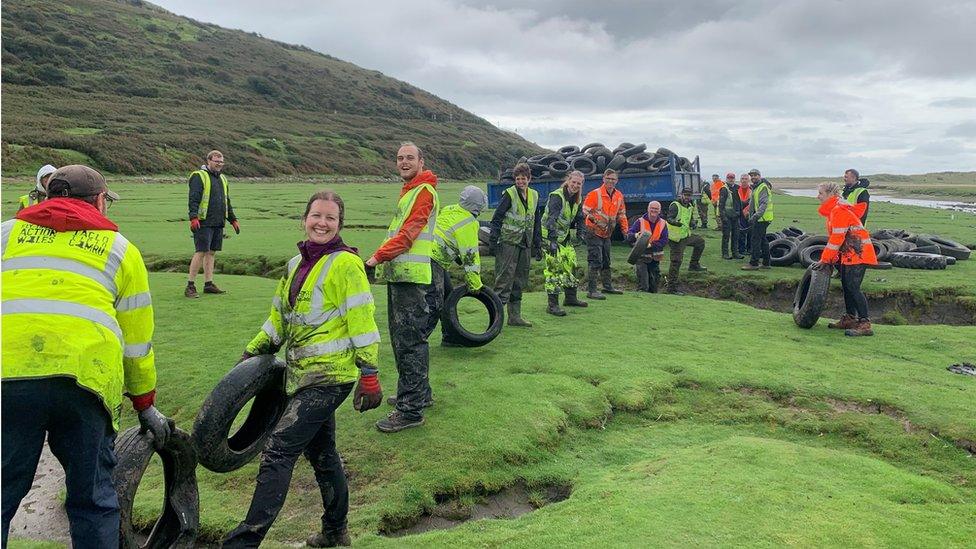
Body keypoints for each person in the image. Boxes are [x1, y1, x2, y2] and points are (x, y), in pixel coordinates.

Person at [2, 165, 169, 548]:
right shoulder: (121, 249)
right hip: (86, 383)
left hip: (9, 379)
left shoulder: (6, 234)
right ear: (98, 201)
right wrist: (144, 404)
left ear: (46, 196)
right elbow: (136, 342)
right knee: (92, 500)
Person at [223, 191, 382, 548]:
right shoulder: (296, 264)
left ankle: (242, 543)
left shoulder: (347, 265)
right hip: (301, 374)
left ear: (340, 224)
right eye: (316, 216)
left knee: (279, 449)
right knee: (322, 453)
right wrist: (251, 353)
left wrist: (369, 372)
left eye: (330, 218)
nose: (322, 223)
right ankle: (335, 532)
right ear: (304, 218)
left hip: (331, 376)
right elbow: (279, 318)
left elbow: (362, 320)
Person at [365, 142, 439, 433]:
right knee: (406, 340)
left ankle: (410, 410)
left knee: (409, 342)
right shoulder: (411, 190)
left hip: (411, 277)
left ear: (422, 161)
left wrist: (374, 259)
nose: (403, 162)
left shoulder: (422, 192)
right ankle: (419, 392)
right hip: (402, 274)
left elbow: (408, 236)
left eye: (409, 158)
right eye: (399, 158)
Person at [812, 182, 877, 337]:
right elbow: (838, 239)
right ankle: (850, 318)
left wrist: (825, 259)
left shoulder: (838, 210)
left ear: (830, 195)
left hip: (858, 253)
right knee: (847, 286)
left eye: (820, 193)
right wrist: (833, 259)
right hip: (850, 253)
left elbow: (836, 238)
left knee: (853, 288)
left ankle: (865, 323)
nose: (818, 196)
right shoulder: (835, 210)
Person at [431, 186, 489, 346]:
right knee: (435, 301)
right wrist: (475, 285)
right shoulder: (469, 223)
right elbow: (470, 258)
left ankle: (450, 337)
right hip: (434, 261)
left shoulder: (450, 209)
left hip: (426, 255)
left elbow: (446, 233)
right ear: (479, 205)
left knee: (448, 296)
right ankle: (418, 341)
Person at [489, 162, 541, 327]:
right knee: (504, 280)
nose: (520, 182)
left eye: (523, 179)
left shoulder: (534, 195)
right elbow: (496, 218)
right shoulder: (509, 194)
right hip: (508, 242)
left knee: (520, 280)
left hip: (525, 243)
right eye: (517, 179)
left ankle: (514, 317)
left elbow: (536, 220)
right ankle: (495, 318)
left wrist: (537, 244)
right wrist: (493, 240)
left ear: (529, 179)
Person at [186, 150, 239, 298]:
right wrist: (193, 217)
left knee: (211, 252)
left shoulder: (223, 178)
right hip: (203, 221)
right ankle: (190, 285)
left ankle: (208, 284)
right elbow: (194, 198)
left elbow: (226, 201)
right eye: (216, 161)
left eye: (221, 162)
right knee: (201, 251)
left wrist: (233, 219)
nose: (219, 164)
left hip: (218, 221)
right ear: (208, 161)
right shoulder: (199, 176)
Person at [541, 170, 588, 316]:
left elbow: (580, 217)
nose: (575, 185)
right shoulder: (557, 196)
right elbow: (551, 219)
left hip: (564, 237)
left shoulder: (577, 198)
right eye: (573, 182)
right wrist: (552, 241)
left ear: (581, 185)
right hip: (549, 236)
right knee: (554, 268)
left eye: (578, 183)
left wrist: (581, 233)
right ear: (568, 181)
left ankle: (570, 297)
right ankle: (552, 304)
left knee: (571, 264)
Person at [582, 169, 629, 299]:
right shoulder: (594, 194)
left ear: (617, 181)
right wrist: (596, 221)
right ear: (603, 179)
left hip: (607, 233)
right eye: (608, 178)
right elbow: (585, 210)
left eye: (613, 179)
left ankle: (607, 286)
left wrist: (626, 231)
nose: (611, 181)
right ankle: (592, 290)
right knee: (595, 260)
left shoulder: (619, 195)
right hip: (593, 231)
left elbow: (622, 215)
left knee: (606, 260)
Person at [664, 187, 707, 294]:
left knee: (700, 242)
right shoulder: (675, 205)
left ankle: (694, 265)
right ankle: (671, 288)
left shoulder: (690, 205)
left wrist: (692, 223)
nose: (687, 197)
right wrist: (675, 222)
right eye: (685, 195)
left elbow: (690, 218)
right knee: (676, 261)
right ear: (681, 195)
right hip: (676, 238)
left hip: (685, 235)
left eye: (689, 195)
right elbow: (668, 218)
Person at [625, 200, 669, 293]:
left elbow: (664, 240)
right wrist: (636, 235)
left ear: (659, 211)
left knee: (654, 287)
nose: (654, 210)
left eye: (656, 209)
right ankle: (641, 301)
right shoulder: (640, 221)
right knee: (643, 286)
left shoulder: (663, 223)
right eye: (652, 208)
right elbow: (629, 236)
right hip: (641, 257)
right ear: (648, 209)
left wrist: (651, 245)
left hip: (655, 258)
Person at [742, 168, 773, 270]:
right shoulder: (756, 187)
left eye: (755, 175)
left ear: (759, 176)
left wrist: (755, 216)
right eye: (752, 175)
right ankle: (766, 263)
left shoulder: (762, 187)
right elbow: (753, 203)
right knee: (763, 240)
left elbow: (763, 204)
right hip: (762, 218)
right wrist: (749, 213)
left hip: (761, 218)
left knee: (755, 240)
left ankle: (754, 263)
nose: (753, 177)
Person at [718, 172, 743, 259]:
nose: (731, 179)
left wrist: (740, 213)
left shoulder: (737, 188)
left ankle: (735, 253)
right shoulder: (724, 189)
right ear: (726, 179)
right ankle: (725, 254)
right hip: (727, 216)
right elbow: (720, 205)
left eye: (732, 178)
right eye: (729, 178)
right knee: (726, 236)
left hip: (735, 216)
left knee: (736, 235)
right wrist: (723, 217)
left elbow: (739, 201)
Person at [737, 173, 752, 256]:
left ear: (748, 180)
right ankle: (741, 249)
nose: (744, 180)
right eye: (742, 178)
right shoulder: (737, 190)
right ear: (740, 180)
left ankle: (749, 248)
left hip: (749, 213)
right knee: (741, 232)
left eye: (746, 179)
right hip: (740, 214)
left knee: (750, 232)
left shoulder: (752, 190)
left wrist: (747, 211)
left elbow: (753, 202)